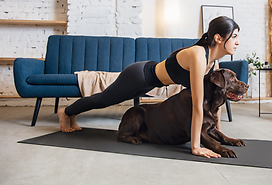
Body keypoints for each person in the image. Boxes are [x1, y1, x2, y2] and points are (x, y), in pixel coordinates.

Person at [58, 16, 240, 158]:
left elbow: (214, 104)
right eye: (234, 36)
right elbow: (197, 105)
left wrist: (218, 134)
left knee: (104, 99)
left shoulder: (213, 62)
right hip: (140, 75)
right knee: (104, 99)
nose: (237, 42)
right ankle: (66, 112)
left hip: (151, 83)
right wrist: (196, 147)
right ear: (218, 38)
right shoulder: (198, 56)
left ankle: (71, 114)